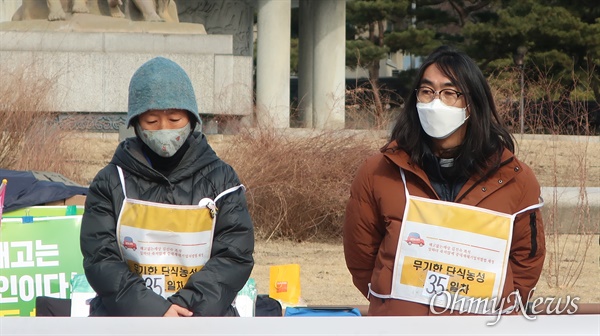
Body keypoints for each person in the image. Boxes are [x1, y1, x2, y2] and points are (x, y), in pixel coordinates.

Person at [343, 46, 545, 316]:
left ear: (472, 103)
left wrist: (497, 306)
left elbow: (526, 261)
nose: (435, 102)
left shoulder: (515, 179)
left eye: (450, 93)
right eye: (427, 91)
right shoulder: (378, 172)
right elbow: (362, 256)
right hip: (399, 326)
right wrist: (393, 302)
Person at [80, 57, 254, 317]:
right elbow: (100, 258)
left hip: (200, 319)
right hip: (125, 320)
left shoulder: (222, 181)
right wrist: (154, 310)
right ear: (137, 124)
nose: (163, 130)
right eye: (152, 122)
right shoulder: (111, 181)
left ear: (192, 119)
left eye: (174, 119)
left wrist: (185, 306)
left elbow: (234, 256)